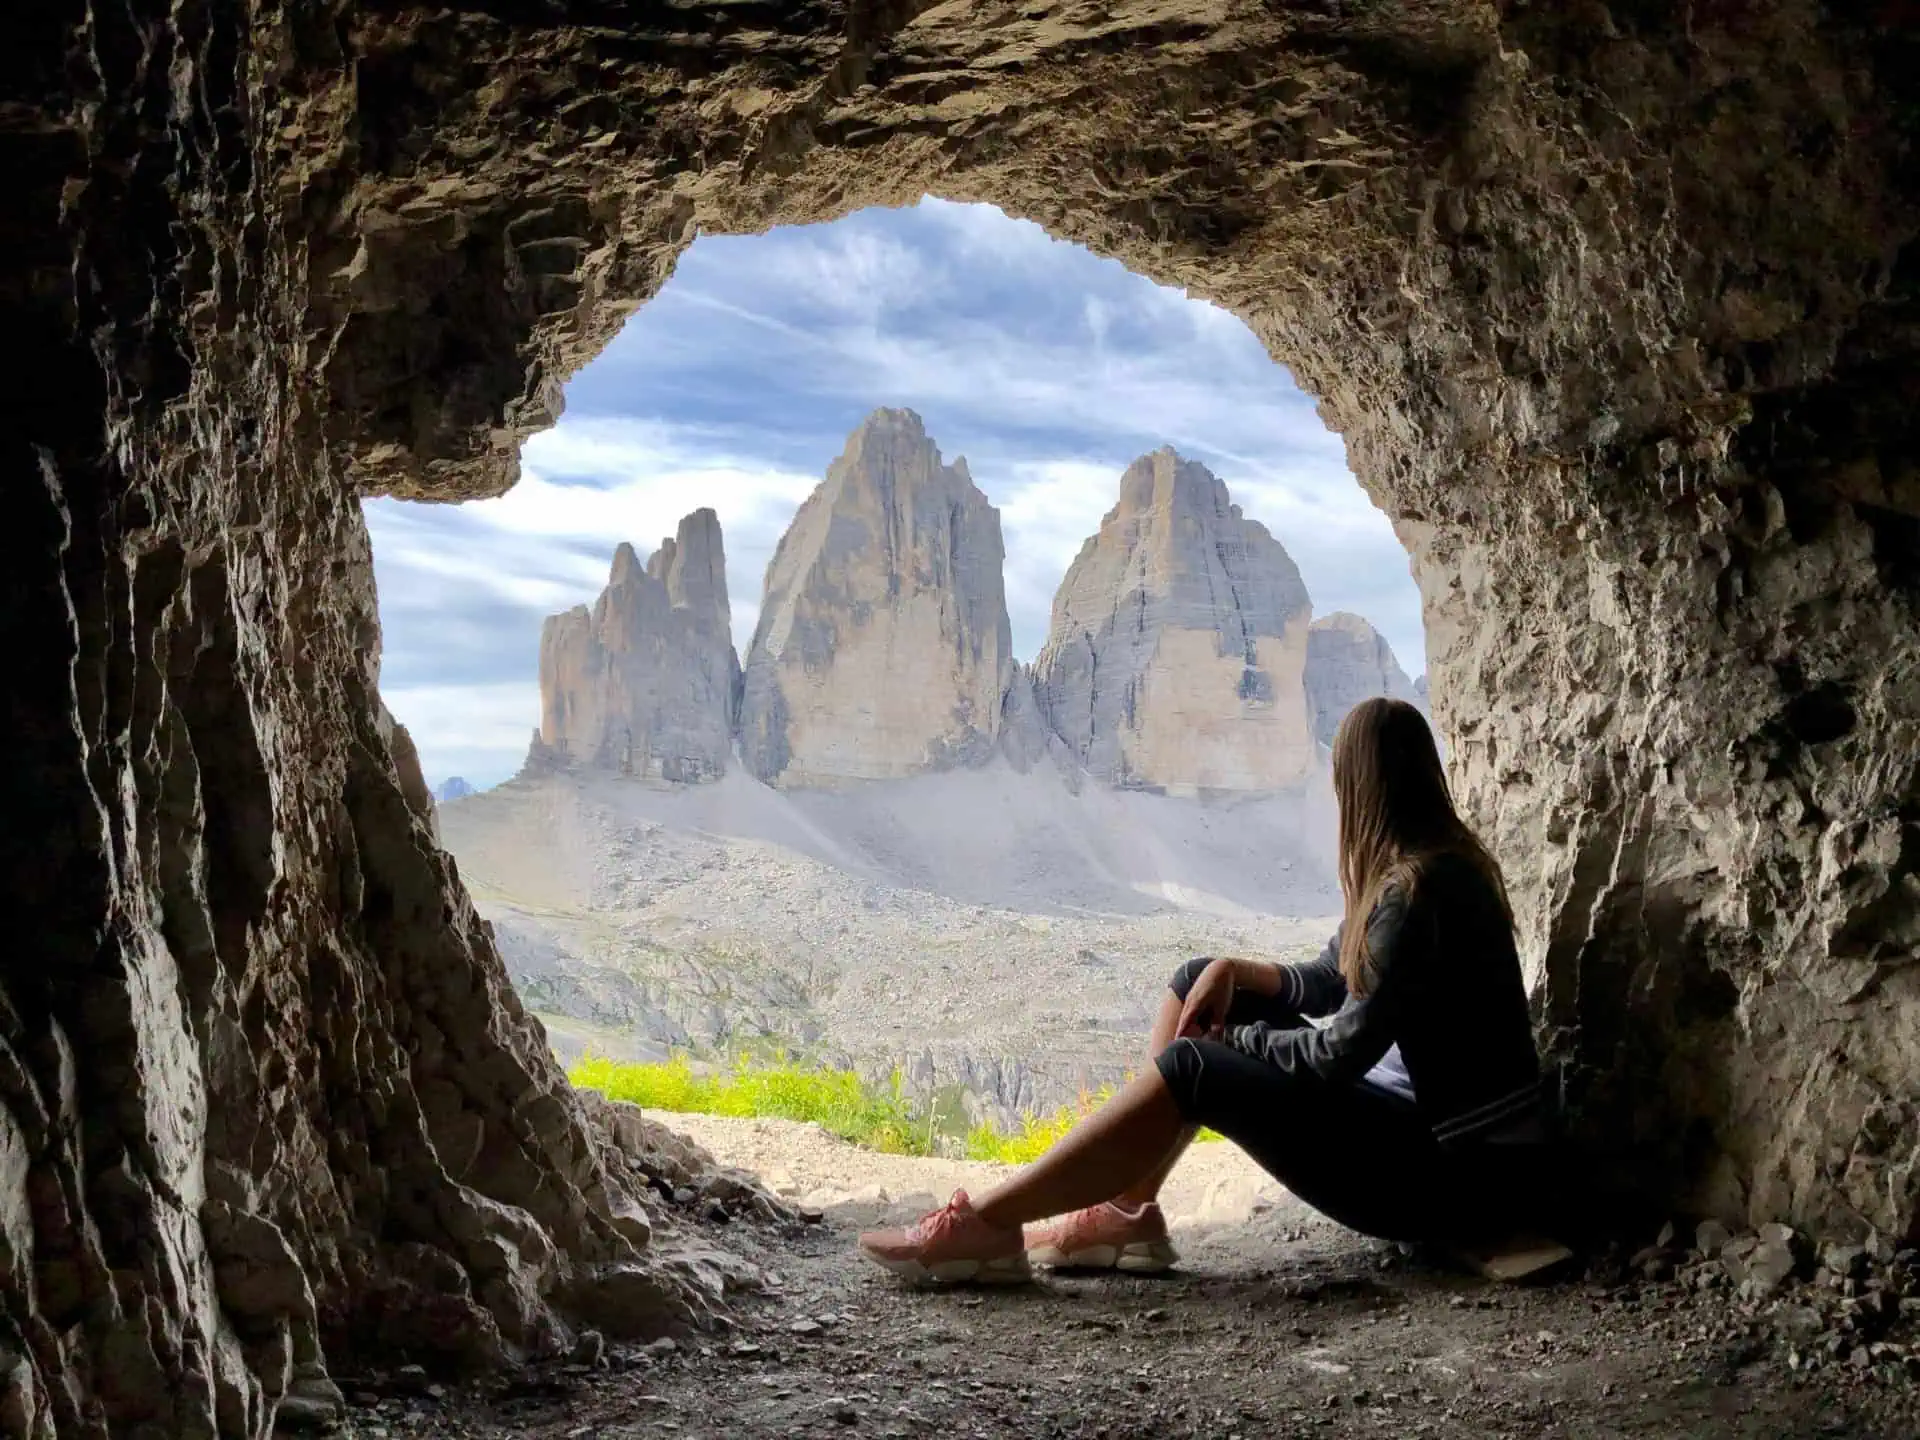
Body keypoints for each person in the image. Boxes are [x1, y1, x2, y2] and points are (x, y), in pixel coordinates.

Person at [858, 696, 1549, 1284]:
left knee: (1194, 1064)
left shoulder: (1416, 892)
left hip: (1464, 1181)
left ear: (1357, 786)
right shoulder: (1428, 866)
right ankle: (1127, 1216)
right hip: (1449, 1155)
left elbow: (1338, 1055)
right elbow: (1333, 977)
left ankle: (989, 1224)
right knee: (1200, 981)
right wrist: (1236, 974)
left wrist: (1236, 1041)